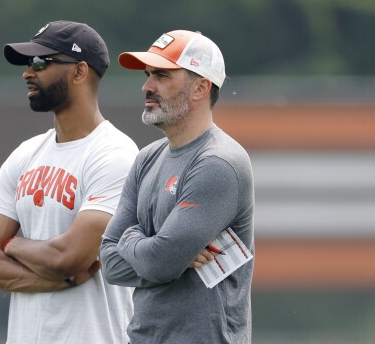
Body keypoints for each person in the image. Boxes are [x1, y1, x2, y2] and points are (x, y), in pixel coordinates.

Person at [0, 20, 138, 344]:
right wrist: (54, 282)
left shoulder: (116, 155)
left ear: (79, 72)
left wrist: (11, 244)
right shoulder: (26, 154)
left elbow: (70, 258)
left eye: (41, 62)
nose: (28, 73)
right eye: (29, 63)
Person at [99, 30, 255, 343]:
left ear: (201, 87)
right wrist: (158, 250)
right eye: (147, 75)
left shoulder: (218, 162)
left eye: (161, 75)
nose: (147, 86)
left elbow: (160, 263)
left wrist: (134, 240)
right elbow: (110, 263)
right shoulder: (146, 159)